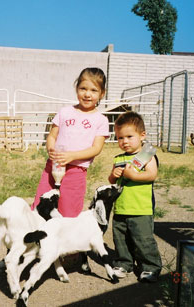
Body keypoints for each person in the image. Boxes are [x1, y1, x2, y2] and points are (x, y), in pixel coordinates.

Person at [31, 67, 110, 217]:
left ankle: (66, 237)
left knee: (69, 210)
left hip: (76, 171)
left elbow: (96, 148)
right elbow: (52, 136)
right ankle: (37, 235)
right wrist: (51, 149)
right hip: (53, 166)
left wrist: (72, 156)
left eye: (94, 90)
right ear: (76, 88)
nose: (87, 94)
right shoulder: (65, 112)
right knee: (41, 204)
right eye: (83, 88)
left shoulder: (101, 120)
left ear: (102, 93)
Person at [108, 111, 162, 283]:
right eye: (119, 138)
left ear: (142, 135)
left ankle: (150, 267)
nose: (124, 141)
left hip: (140, 207)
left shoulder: (147, 155)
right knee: (121, 239)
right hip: (121, 207)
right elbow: (111, 180)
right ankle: (124, 263)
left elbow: (152, 175)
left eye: (129, 136)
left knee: (143, 239)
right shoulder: (118, 158)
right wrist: (113, 175)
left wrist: (133, 176)